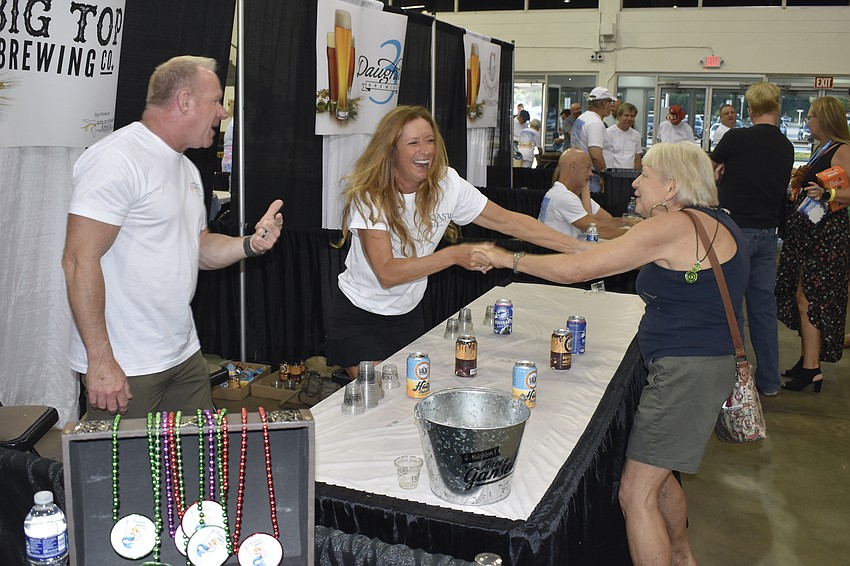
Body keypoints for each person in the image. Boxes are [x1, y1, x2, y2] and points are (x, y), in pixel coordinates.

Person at [474, 142, 749, 566]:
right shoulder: (712, 220)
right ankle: (681, 555)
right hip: (694, 368)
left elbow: (577, 270)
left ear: (671, 186)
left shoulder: (672, 226)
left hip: (687, 374)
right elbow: (592, 253)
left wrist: (507, 258)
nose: (635, 183)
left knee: (636, 495)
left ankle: (679, 555)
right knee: (660, 476)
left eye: (645, 175)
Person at [63, 56, 284, 418]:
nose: (223, 112)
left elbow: (198, 248)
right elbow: (77, 260)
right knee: (124, 458)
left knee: (199, 452)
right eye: (216, 101)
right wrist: (100, 360)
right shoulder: (117, 158)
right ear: (184, 101)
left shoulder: (186, 168)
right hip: (128, 364)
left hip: (182, 354)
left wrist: (251, 244)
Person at [325, 105, 585, 379]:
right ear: (390, 150)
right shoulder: (372, 196)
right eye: (413, 143)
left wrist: (578, 248)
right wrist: (453, 255)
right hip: (359, 317)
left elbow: (510, 222)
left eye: (430, 140)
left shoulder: (447, 183)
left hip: (408, 317)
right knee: (381, 393)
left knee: (410, 393)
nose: (425, 151)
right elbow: (387, 273)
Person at [710, 82, 794, 396]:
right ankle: (769, 381)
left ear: (748, 109)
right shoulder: (786, 146)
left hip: (735, 230)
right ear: (777, 107)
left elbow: (708, 170)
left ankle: (737, 380)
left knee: (731, 308)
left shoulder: (736, 138)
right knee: (763, 309)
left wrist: (720, 174)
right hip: (768, 233)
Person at [775, 96, 850, 392]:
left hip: (826, 237)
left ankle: (812, 367)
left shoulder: (842, 149)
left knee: (809, 299)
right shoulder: (824, 148)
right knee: (801, 297)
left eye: (810, 116)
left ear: (824, 118)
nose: (807, 122)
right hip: (810, 234)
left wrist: (827, 194)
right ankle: (808, 358)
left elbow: (845, 193)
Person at [539, 149, 640, 240]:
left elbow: (606, 220)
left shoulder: (568, 195)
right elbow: (599, 230)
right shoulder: (563, 197)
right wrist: (636, 233)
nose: (591, 174)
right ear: (573, 167)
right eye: (587, 168)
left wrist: (627, 222)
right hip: (562, 252)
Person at [571, 87, 613, 192]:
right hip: (593, 177)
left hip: (580, 172)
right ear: (604, 103)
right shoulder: (595, 123)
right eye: (610, 102)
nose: (611, 106)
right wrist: (604, 176)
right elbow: (595, 155)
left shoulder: (583, 118)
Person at [603, 102, 643, 170]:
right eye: (626, 115)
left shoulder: (636, 135)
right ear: (619, 116)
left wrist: (637, 173)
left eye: (632, 116)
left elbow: (637, 157)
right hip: (612, 172)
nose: (629, 118)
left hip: (631, 173)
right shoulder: (608, 133)